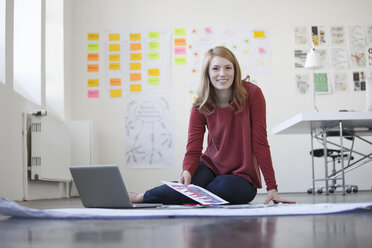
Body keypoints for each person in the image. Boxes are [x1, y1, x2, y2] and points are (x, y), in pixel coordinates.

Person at [130, 46, 295, 205]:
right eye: (215, 68)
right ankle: (140, 197)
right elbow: (193, 148)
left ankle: (195, 194)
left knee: (219, 187)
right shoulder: (201, 103)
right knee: (188, 187)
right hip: (209, 167)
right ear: (208, 73)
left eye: (228, 68)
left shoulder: (252, 94)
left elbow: (260, 142)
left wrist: (271, 187)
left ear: (235, 70)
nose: (222, 74)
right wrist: (187, 170)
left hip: (243, 177)